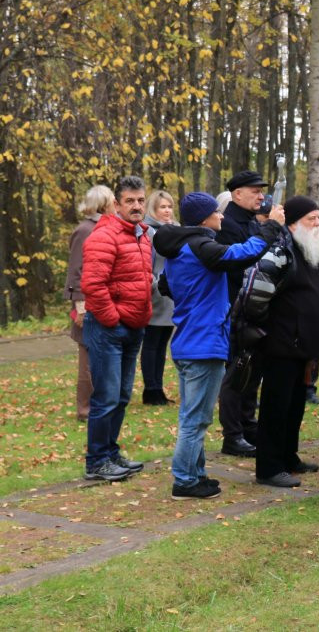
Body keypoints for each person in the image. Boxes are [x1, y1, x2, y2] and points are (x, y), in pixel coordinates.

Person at [154, 192, 284, 499]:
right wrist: (271, 227)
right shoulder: (201, 247)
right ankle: (185, 481)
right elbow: (241, 253)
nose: (222, 216)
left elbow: (166, 285)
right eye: (216, 212)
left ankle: (196, 474)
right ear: (203, 218)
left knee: (193, 414)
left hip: (189, 341)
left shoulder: (180, 249)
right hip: (203, 343)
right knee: (195, 418)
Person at [79, 176, 153, 481]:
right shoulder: (104, 235)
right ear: (117, 204)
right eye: (130, 201)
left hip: (133, 327)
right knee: (106, 397)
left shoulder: (142, 234)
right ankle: (96, 462)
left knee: (121, 396)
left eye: (140, 200)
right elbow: (93, 285)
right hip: (109, 328)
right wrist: (113, 319)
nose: (136, 206)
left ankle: (110, 453)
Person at [254, 197, 319, 488]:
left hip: (303, 345)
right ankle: (269, 467)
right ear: (294, 223)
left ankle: (288, 456)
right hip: (281, 343)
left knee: (296, 404)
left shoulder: (308, 251)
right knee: (276, 405)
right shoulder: (281, 251)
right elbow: (258, 293)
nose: (317, 224)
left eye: (318, 219)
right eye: (311, 219)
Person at [216, 169, 267, 457]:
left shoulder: (249, 220)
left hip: (254, 308)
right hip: (236, 307)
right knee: (237, 372)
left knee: (252, 371)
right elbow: (239, 262)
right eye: (255, 191)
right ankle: (232, 435)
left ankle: (248, 426)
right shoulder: (229, 223)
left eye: (261, 191)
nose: (261, 196)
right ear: (237, 194)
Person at [66, 185, 114, 422]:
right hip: (86, 305)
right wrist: (80, 306)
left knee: (99, 358)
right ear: (104, 203)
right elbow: (75, 271)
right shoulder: (85, 230)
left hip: (103, 303)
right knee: (87, 359)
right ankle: (85, 410)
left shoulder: (104, 228)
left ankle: (99, 404)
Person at [141, 190, 176, 405]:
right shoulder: (148, 231)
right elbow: (147, 263)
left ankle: (158, 387)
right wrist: (154, 286)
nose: (167, 210)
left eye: (170, 206)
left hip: (170, 296)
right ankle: (150, 389)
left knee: (163, 343)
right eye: (163, 207)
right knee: (152, 342)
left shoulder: (174, 230)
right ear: (153, 209)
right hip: (155, 294)